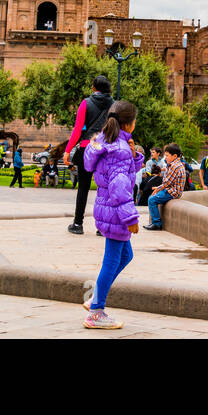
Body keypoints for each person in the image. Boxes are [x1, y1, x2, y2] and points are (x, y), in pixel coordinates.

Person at [82, 100, 142, 330]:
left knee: (125, 256)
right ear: (130, 123)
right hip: (117, 212)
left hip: (106, 209)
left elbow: (119, 173)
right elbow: (119, 185)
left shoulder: (108, 142)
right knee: (112, 260)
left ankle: (96, 298)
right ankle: (96, 312)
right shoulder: (119, 149)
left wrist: (134, 156)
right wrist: (131, 219)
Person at [62, 75, 115, 235]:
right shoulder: (114, 105)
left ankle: (78, 224)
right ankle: (102, 227)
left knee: (83, 187)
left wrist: (67, 150)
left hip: (87, 149)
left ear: (94, 87)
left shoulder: (86, 103)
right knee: (103, 189)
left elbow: (78, 129)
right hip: (105, 150)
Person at [145, 142, 185, 230]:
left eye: (167, 156)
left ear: (174, 156)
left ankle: (157, 223)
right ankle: (154, 222)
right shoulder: (174, 164)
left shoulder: (175, 166)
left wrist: (158, 189)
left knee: (152, 199)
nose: (165, 158)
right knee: (152, 197)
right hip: (169, 190)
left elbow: (168, 182)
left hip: (172, 192)